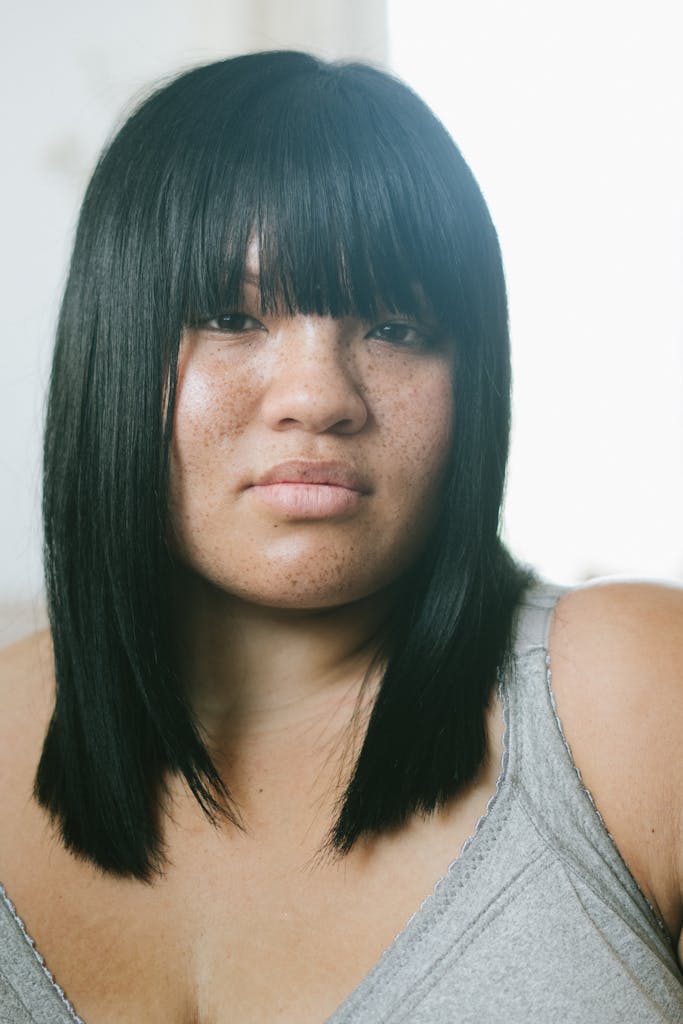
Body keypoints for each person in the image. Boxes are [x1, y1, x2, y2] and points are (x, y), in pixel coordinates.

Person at [0, 50, 681, 1024]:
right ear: (110, 347)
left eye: (396, 325)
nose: (318, 397)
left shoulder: (639, 698)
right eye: (231, 314)